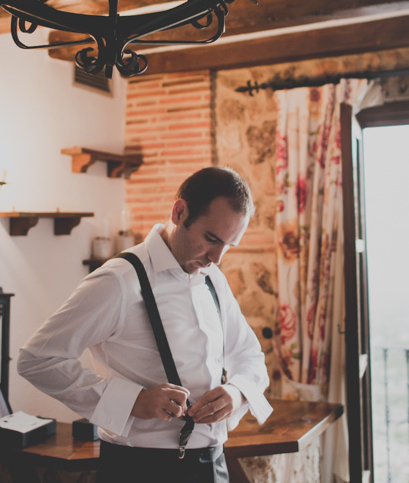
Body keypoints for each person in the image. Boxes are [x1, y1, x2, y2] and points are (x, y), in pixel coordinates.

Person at [17, 166, 273, 483]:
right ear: (180, 212)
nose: (216, 258)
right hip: (139, 470)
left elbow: (250, 357)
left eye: (228, 246)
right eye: (211, 239)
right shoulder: (119, 281)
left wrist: (237, 393)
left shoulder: (212, 280)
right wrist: (131, 400)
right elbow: (37, 359)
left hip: (213, 466)